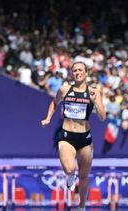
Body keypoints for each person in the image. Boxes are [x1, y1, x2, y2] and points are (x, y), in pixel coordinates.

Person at [41, 61, 106, 211]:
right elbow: (54, 103)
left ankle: (81, 206)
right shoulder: (64, 90)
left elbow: (103, 117)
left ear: (86, 73)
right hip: (67, 136)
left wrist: (96, 101)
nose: (77, 72)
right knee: (70, 169)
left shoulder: (94, 92)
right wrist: (48, 118)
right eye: (75, 70)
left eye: (80, 70)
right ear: (72, 73)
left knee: (84, 177)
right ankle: (70, 177)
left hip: (85, 139)